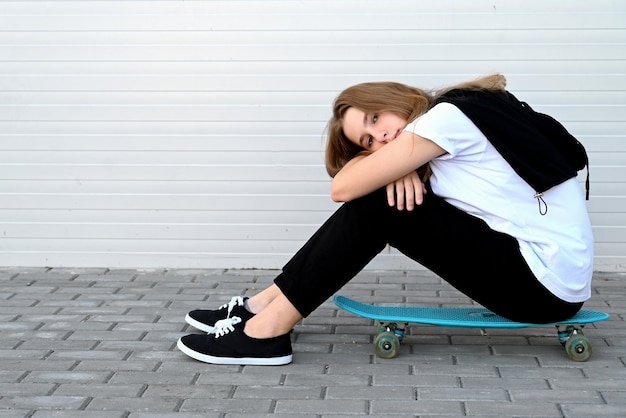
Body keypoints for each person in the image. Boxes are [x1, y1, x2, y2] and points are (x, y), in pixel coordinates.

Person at [177, 74, 594, 366]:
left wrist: (392, 165)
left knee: (380, 202)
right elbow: (358, 175)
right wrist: (399, 164)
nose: (383, 138)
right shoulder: (450, 117)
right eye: (370, 141)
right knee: (383, 195)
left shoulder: (445, 120)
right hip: (544, 276)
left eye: (376, 120)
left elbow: (342, 188)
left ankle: (267, 332)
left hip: (541, 286)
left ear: (392, 97)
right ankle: (258, 307)